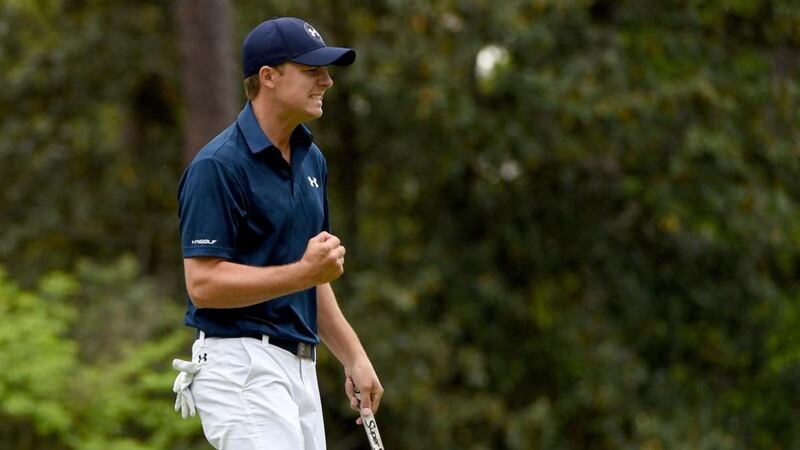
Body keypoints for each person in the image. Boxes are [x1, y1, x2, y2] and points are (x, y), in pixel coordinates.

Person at [171, 17, 383, 450]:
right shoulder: (218, 166)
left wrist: (354, 356)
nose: (326, 81)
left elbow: (311, 275)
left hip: (299, 368)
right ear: (268, 77)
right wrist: (305, 273)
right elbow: (203, 285)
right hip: (241, 365)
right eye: (311, 71)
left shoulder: (311, 160)